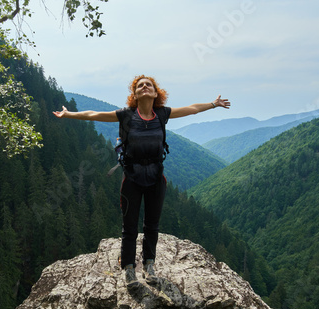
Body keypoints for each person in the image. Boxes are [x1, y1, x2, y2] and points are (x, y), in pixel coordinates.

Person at [53, 75, 230, 289]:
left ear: (156, 93)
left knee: (151, 225)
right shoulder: (126, 116)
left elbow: (191, 109)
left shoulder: (162, 114)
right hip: (132, 178)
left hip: (156, 177)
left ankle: (149, 265)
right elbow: (95, 114)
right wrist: (68, 114)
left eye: (149, 85)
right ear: (135, 94)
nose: (145, 87)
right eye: (140, 86)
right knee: (129, 227)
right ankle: (129, 268)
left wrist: (214, 104)